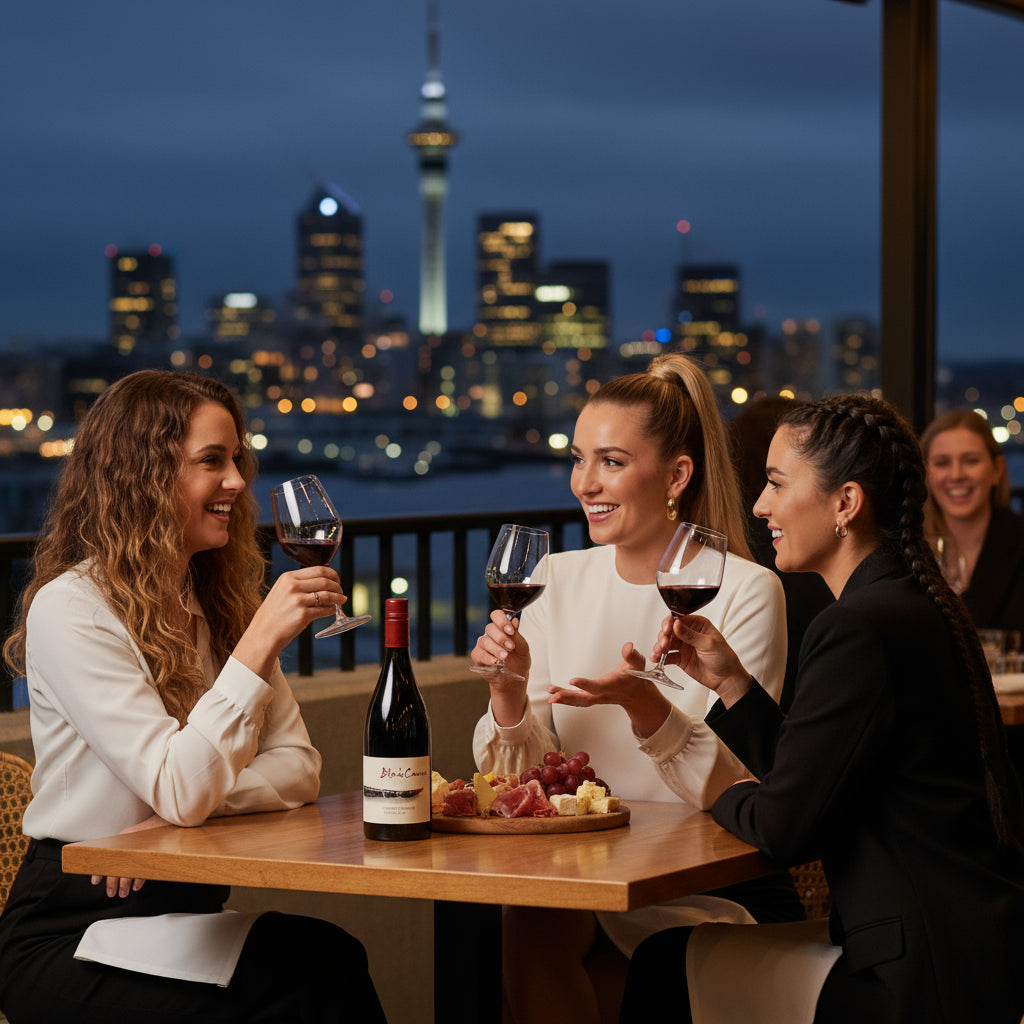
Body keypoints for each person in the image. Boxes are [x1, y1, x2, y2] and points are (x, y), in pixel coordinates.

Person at [621, 393, 1024, 1024]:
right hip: (970, 954)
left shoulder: (857, 626)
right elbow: (817, 769)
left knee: (661, 966)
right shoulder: (910, 602)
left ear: (846, 504)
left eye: (777, 483)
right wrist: (734, 686)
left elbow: (784, 828)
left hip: (912, 979)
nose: (760, 506)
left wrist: (702, 777)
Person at [0, 371, 387, 1024]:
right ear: (143, 477)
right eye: (213, 461)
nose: (237, 482)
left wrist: (185, 817)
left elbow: (298, 767)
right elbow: (179, 788)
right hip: (73, 929)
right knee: (284, 998)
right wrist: (260, 639)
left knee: (328, 958)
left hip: (177, 903)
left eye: (236, 458)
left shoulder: (217, 600)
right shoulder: (74, 608)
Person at [471, 353, 800, 1024]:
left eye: (612, 462)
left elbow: (743, 787)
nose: (585, 482)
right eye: (578, 458)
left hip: (703, 884)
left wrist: (648, 711)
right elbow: (520, 784)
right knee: (528, 918)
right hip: (584, 878)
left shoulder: (744, 591)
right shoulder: (556, 577)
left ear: (678, 474)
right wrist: (508, 697)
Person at [728, 396, 833, 711]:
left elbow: (800, 755)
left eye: (778, 483)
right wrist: (729, 681)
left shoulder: (850, 625)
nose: (760, 507)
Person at [921, 407, 1024, 631]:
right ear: (926, 474)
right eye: (942, 463)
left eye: (970, 460)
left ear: (996, 469)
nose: (956, 475)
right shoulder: (909, 550)